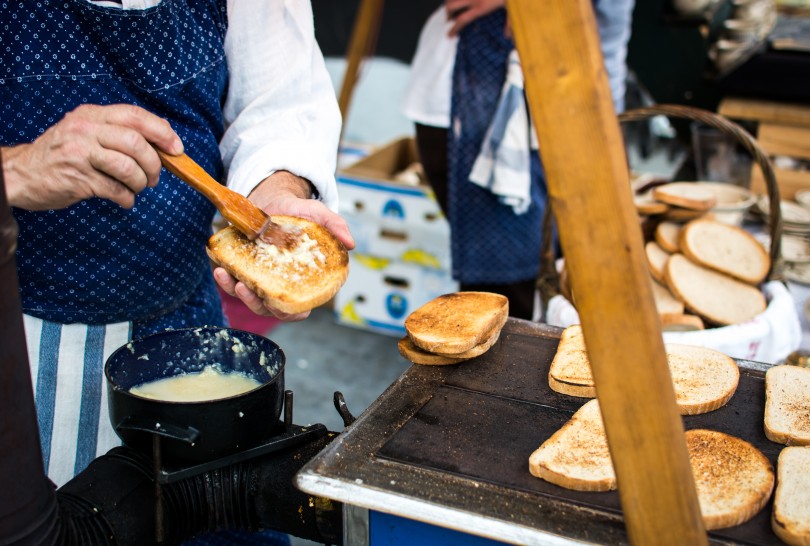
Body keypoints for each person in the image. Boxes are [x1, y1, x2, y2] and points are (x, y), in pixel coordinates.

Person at [0, 0, 353, 500]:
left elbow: (279, 101)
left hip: (187, 324)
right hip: (18, 340)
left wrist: (277, 191)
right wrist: (16, 168)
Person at [402, 0, 634, 320]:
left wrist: (610, 117)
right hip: (474, 95)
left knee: (558, 280)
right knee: (505, 296)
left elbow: (610, 21)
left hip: (565, 93)